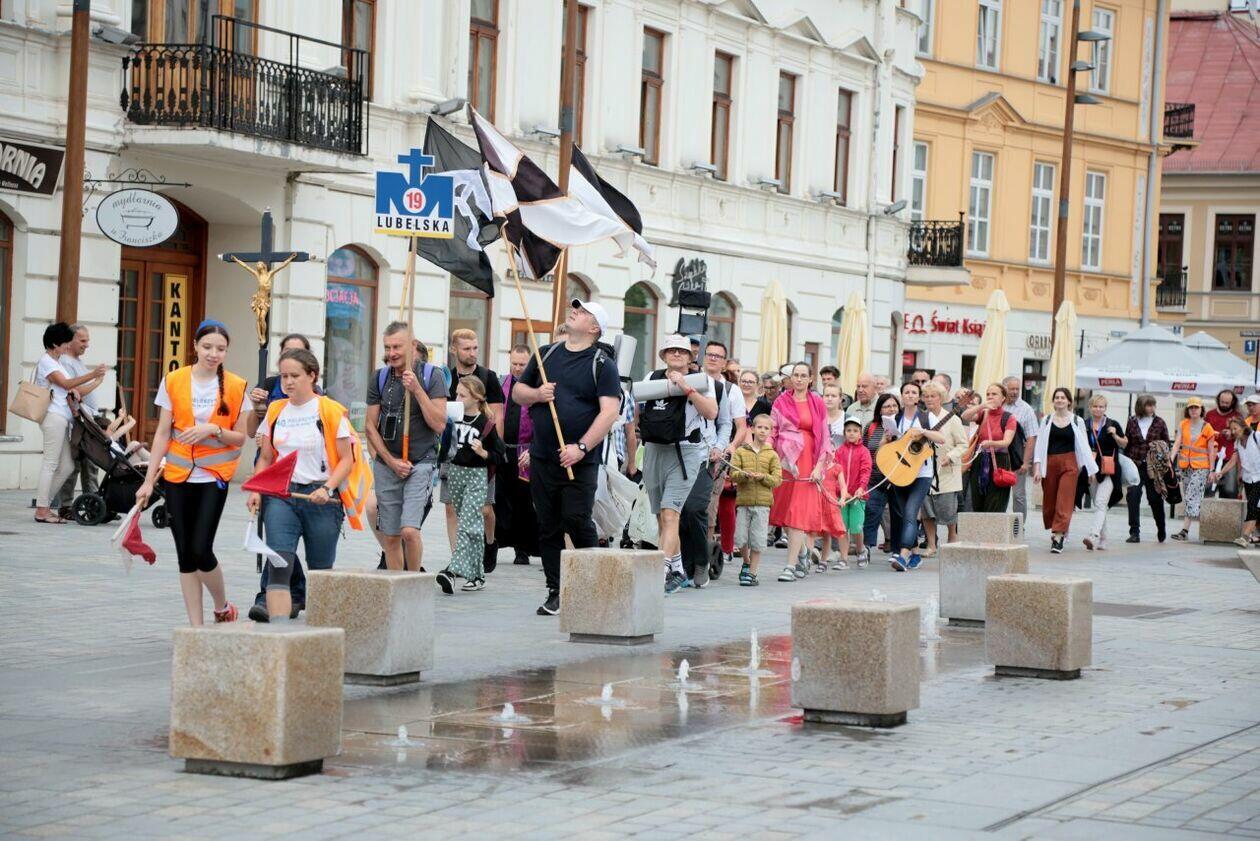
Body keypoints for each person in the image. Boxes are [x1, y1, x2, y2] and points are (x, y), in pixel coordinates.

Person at [135, 320, 251, 625]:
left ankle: (222, 605)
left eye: (220, 349)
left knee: (201, 548)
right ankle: (196, 629)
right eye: (207, 347)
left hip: (214, 476)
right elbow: (163, 433)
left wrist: (213, 430)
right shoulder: (174, 380)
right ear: (195, 347)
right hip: (177, 475)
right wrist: (148, 481)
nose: (213, 354)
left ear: (226, 351)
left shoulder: (237, 386)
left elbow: (241, 437)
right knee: (185, 554)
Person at [513, 299, 621, 615]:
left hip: (580, 460)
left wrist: (581, 448)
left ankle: (594, 584)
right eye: (576, 308)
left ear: (594, 328)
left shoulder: (602, 364)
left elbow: (609, 412)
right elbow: (518, 393)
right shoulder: (546, 354)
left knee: (575, 519)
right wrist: (537, 394)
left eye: (583, 311)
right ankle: (556, 590)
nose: (575, 311)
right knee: (547, 525)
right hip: (543, 456)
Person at [247, 349, 364, 620]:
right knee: (279, 565)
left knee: (320, 572)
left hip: (321, 498)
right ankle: (279, 635)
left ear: (312, 376)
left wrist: (327, 488)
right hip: (282, 496)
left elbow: (347, 460)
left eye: (295, 376)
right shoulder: (276, 410)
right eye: (284, 376)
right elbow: (265, 457)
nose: (288, 382)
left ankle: (320, 636)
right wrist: (256, 489)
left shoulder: (329, 410)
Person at [638, 334, 718, 593]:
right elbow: (638, 411)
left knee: (671, 513)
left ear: (690, 357)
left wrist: (686, 388)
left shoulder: (701, 380)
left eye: (682, 351)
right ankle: (678, 569)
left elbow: (711, 412)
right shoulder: (652, 377)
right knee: (661, 516)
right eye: (671, 350)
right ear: (663, 355)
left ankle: (659, 573)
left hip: (685, 453)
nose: (676, 354)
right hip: (654, 450)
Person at [365, 322, 448, 571]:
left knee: (410, 531)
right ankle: (397, 586)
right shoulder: (379, 377)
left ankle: (414, 582)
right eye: (387, 347)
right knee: (390, 537)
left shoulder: (432, 375)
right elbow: (370, 427)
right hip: (388, 464)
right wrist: (391, 462)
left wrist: (417, 390)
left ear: (412, 346)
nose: (391, 353)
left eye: (397, 347)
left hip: (421, 462)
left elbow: (439, 424)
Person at [435, 375, 506, 593]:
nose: (457, 398)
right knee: (472, 527)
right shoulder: (452, 418)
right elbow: (442, 443)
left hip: (476, 475)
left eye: (462, 395)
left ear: (476, 398)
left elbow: (500, 455)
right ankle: (477, 576)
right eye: (456, 394)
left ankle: (452, 571)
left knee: (467, 523)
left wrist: (484, 453)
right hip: (455, 473)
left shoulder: (486, 424)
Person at [441, 329, 503, 566]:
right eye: (466, 348)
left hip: (480, 453)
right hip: (453, 452)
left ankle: (490, 542)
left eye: (475, 348)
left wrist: (494, 453)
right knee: (451, 508)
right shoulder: (446, 378)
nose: (472, 353)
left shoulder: (488, 377)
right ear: (453, 349)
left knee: (485, 510)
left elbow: (497, 417)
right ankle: (458, 560)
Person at [33, 323, 106, 524]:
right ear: (55, 344)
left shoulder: (56, 362)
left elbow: (69, 388)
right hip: (53, 418)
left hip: (61, 419)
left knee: (66, 466)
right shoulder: (47, 362)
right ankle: (42, 510)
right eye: (65, 342)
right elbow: (65, 384)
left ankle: (44, 505)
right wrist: (92, 375)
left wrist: (88, 385)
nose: (67, 346)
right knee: (51, 463)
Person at [684, 339, 742, 585]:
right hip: (682, 454)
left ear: (724, 362)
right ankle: (682, 563)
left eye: (718, 356)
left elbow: (735, 425)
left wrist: (724, 447)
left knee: (702, 509)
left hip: (711, 457)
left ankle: (702, 559)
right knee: (679, 511)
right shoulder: (690, 379)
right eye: (709, 354)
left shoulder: (728, 390)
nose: (713, 358)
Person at [770, 362, 833, 582]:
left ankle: (790, 565)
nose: (798, 379)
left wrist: (819, 466)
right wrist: (767, 455)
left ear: (810, 379)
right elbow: (772, 430)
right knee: (785, 514)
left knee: (796, 513)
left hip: (808, 461)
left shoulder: (817, 402)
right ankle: (804, 552)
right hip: (785, 461)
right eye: (795, 375)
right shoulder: (780, 401)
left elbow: (824, 436)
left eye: (803, 375)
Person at [884, 380, 945, 572]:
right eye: (907, 392)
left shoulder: (927, 417)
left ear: (919, 397)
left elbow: (941, 438)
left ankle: (903, 555)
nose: (910, 395)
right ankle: (915, 554)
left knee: (911, 512)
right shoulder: (895, 418)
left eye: (914, 392)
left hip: (922, 474)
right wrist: (888, 438)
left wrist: (924, 431)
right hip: (900, 471)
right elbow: (887, 445)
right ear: (902, 396)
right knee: (904, 515)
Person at [1032, 388, 1098, 553]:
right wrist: (1037, 468)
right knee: (1050, 502)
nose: (1060, 400)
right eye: (1057, 397)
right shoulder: (1046, 420)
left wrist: (1090, 469)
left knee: (1065, 500)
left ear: (1069, 401)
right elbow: (1040, 445)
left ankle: (1059, 536)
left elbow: (1084, 446)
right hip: (1050, 463)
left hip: (1070, 464)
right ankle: (1056, 529)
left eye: (1063, 397)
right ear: (1053, 401)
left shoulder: (1077, 420)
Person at [496, 344, 539, 565]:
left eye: (522, 364)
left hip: (525, 451)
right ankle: (496, 542)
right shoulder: (501, 383)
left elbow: (540, 423)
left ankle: (522, 549)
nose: (518, 368)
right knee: (500, 499)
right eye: (514, 363)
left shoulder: (534, 387)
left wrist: (533, 449)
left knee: (523, 501)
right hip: (503, 450)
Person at [730, 413, 782, 586]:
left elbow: (777, 479)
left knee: (758, 539)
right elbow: (733, 474)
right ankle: (746, 561)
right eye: (759, 427)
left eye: (766, 428)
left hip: (762, 504)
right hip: (744, 502)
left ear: (770, 432)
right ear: (752, 429)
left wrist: (763, 477)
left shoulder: (772, 455)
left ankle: (752, 573)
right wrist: (744, 475)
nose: (762, 431)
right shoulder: (741, 452)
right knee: (740, 538)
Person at [920, 381, 967, 554]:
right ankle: (931, 545)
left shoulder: (953, 419)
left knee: (948, 510)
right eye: (926, 396)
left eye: (933, 396)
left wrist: (951, 456)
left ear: (941, 398)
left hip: (946, 471)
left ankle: (952, 537)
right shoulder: (921, 418)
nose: (929, 399)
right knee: (926, 510)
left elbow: (963, 444)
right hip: (925, 470)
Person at [859, 393, 901, 566]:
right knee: (871, 511)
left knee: (898, 515)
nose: (891, 409)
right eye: (887, 406)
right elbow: (863, 451)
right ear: (880, 409)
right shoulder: (871, 426)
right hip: (875, 478)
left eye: (894, 406)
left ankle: (898, 550)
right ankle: (866, 547)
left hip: (898, 479)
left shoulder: (904, 425)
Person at [1123, 394, 1170, 543]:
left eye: (1153, 405)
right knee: (1133, 496)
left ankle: (1161, 527)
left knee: (1155, 498)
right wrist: (1126, 463)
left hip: (1153, 467)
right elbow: (1127, 443)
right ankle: (1134, 532)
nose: (1152, 408)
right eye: (1148, 405)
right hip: (1135, 464)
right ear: (1141, 406)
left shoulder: (1159, 422)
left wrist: (1164, 461)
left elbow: (1166, 444)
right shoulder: (1132, 421)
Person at [1081, 394, 1126, 551]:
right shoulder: (1084, 425)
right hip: (1091, 469)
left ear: (1105, 408)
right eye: (1095, 406)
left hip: (1109, 470)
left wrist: (1115, 435)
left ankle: (1093, 536)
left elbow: (1124, 443)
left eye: (1101, 406)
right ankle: (1104, 539)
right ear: (1090, 407)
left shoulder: (1112, 424)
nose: (1098, 409)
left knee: (1100, 503)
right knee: (1100, 505)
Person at [966, 383, 1019, 514]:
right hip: (980, 460)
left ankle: (993, 527)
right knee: (977, 499)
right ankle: (980, 526)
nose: (990, 396)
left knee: (996, 501)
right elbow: (965, 416)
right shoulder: (984, 414)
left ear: (1003, 398)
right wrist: (982, 406)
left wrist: (990, 443)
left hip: (1000, 461)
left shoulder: (1009, 417)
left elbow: (1006, 442)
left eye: (994, 394)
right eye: (988, 394)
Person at [1170, 396, 1217, 541]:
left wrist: (1212, 470)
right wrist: (1170, 459)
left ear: (1201, 409)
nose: (1193, 410)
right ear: (1187, 410)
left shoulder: (1207, 427)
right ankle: (1190, 529)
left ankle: (1187, 529)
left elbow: (1211, 450)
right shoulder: (1183, 424)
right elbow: (1177, 444)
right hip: (1186, 466)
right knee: (1190, 497)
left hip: (1202, 467)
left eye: (1196, 407)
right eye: (1191, 407)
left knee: (1191, 495)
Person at [830, 415, 872, 569]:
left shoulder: (864, 451)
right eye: (848, 430)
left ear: (860, 433)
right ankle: (843, 558)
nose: (851, 433)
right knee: (842, 528)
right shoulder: (839, 451)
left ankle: (861, 550)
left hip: (857, 496)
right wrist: (841, 491)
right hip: (842, 497)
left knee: (856, 527)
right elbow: (835, 472)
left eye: (855, 430)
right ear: (844, 433)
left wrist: (861, 488)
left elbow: (865, 471)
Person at [1211, 417, 1260, 548]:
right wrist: (1221, 472)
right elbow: (1233, 461)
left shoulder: (1256, 437)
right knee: (1254, 506)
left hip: (1259, 477)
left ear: (1243, 427)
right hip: (1248, 479)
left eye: (1235, 428)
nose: (1233, 431)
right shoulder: (1237, 443)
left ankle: (1245, 537)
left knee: (1253, 505)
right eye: (1231, 429)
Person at [1206, 389, 1241, 499]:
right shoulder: (1210, 414)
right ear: (1218, 400)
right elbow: (1203, 434)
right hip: (1211, 458)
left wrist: (1233, 432)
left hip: (1230, 459)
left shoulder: (1237, 416)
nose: (1224, 405)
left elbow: (1243, 434)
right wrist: (1213, 433)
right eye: (1222, 402)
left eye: (1227, 403)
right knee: (1207, 490)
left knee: (1229, 491)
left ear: (1232, 402)